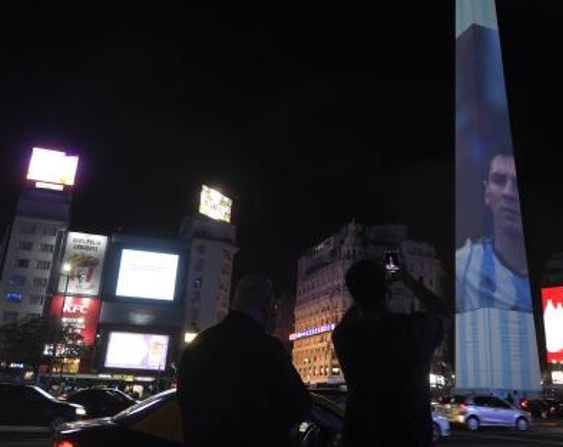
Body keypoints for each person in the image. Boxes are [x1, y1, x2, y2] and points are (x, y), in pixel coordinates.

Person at [178, 274, 311, 447]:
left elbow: (184, 400)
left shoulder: (199, 344)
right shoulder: (267, 349)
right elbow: (299, 405)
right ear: (268, 307)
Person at [332, 260, 450, 447]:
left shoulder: (345, 337)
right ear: (387, 293)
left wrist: (363, 294)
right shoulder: (411, 330)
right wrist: (405, 277)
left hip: (361, 438)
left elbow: (346, 321)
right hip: (410, 438)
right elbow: (443, 313)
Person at [456, 152, 531, 313]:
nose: (508, 193)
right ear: (487, 193)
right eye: (499, 180)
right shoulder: (463, 266)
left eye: (518, 184)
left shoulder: (559, 269)